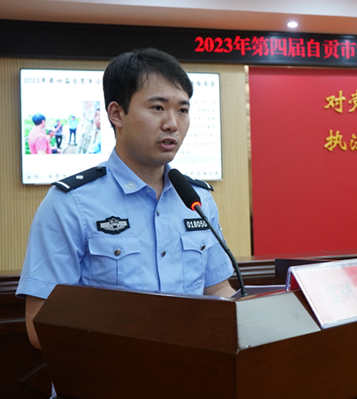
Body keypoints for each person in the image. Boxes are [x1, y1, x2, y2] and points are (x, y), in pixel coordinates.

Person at [16, 48, 235, 352]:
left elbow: (217, 289)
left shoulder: (197, 200)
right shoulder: (70, 204)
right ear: (116, 114)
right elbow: (40, 323)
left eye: (183, 110)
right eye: (158, 107)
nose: (172, 123)